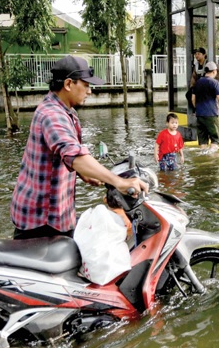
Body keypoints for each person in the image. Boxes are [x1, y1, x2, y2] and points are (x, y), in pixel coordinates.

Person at [10, 55, 147, 240]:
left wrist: (83, 173)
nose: (89, 91)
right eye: (86, 85)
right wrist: (120, 182)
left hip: (56, 213)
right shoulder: (52, 115)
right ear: (68, 84)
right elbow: (75, 155)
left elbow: (66, 154)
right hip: (40, 220)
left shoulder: (67, 111)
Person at [191, 62, 219, 152]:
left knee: (202, 141)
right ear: (214, 71)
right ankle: (212, 161)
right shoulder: (214, 83)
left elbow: (193, 99)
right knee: (215, 139)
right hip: (211, 115)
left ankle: (203, 159)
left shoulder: (198, 82)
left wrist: (197, 108)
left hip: (200, 115)